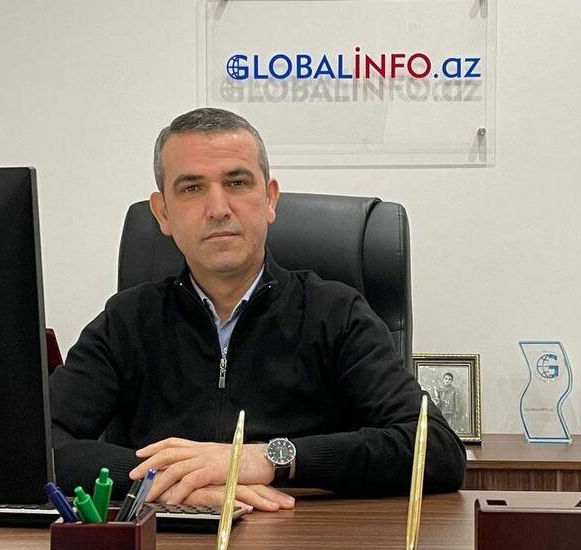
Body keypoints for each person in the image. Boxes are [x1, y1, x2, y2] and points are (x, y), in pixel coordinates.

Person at [50, 107, 466, 512]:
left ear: (269, 199)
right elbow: (36, 444)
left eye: (236, 183)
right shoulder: (127, 321)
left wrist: (267, 458)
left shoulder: (336, 313)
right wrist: (165, 483)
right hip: (167, 534)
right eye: (192, 188)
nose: (218, 208)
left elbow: (435, 450)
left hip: (298, 533)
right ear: (163, 213)